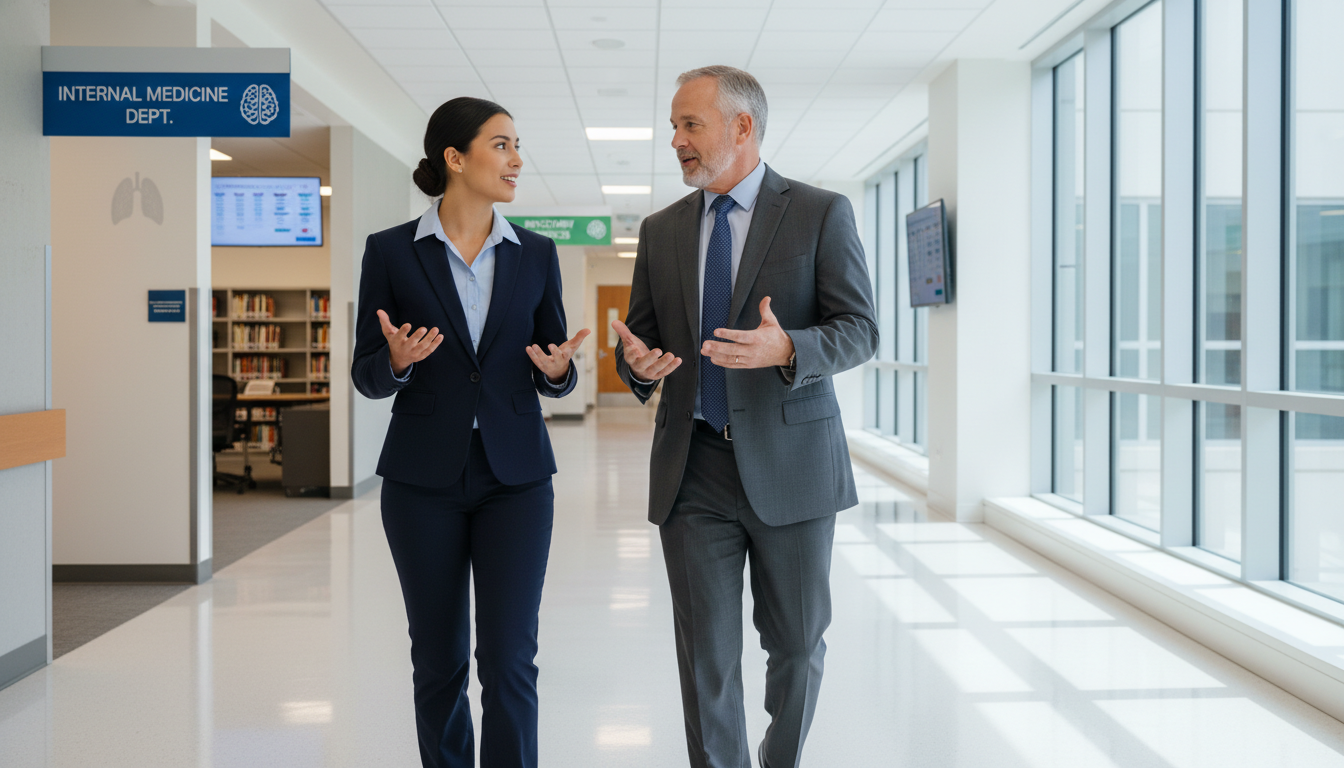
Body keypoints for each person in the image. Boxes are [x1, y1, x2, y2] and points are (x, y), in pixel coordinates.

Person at [612, 66, 878, 768]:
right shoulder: (663, 229)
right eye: (672, 126)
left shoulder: (820, 212)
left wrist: (789, 345)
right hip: (692, 468)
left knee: (795, 645)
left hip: (791, 467)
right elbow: (644, 342)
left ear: (742, 127)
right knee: (706, 657)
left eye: (689, 124)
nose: (675, 141)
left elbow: (860, 330)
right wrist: (637, 368)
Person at [351, 96, 589, 768]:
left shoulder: (536, 255)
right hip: (421, 480)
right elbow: (367, 372)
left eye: (517, 146)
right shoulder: (391, 252)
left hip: (516, 479)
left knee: (511, 657)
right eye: (502, 145)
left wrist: (560, 373)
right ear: (455, 158)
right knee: (438, 658)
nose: (517, 160)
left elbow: (553, 361)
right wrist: (395, 362)